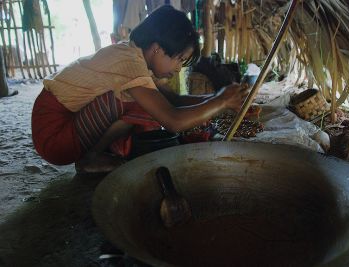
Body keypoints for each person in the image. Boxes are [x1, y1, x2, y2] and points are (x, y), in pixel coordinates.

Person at [31, 5, 247, 173]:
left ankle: (99, 153)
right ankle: (91, 158)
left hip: (62, 124)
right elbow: (172, 120)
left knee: (152, 102)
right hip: (54, 134)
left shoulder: (136, 56)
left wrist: (221, 99)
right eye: (179, 59)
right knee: (141, 105)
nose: (179, 68)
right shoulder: (129, 64)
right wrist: (220, 103)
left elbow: (173, 100)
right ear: (157, 49)